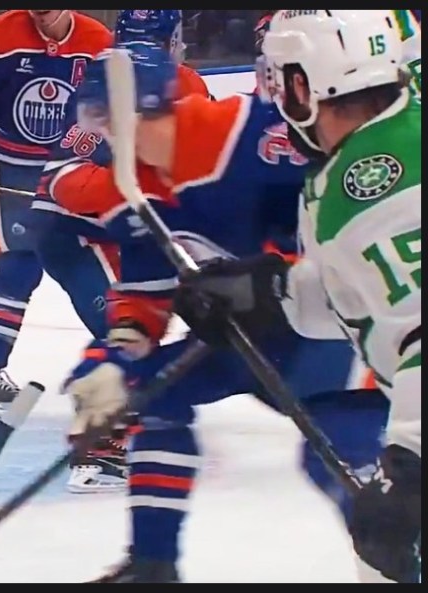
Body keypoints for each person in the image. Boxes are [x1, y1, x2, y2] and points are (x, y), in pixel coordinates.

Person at [62, 39, 390, 582]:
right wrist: (113, 361)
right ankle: (152, 567)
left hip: (333, 337)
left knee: (340, 454)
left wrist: (271, 279)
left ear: (139, 108)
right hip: (242, 342)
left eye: (104, 118)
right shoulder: (134, 189)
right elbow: (144, 300)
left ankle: (402, 563)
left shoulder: (253, 134)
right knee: (154, 394)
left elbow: (340, 219)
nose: (103, 135)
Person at [170, 10, 420, 583]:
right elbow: (370, 298)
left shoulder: (379, 189)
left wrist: (411, 471)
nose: (275, 93)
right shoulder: (383, 142)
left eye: (280, 76)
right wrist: (267, 294)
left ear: (305, 84)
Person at [30, 10, 210, 492]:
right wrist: (134, 199)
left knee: (133, 331)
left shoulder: (101, 73)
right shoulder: (175, 80)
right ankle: (100, 452)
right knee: (125, 335)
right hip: (82, 233)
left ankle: (118, 427)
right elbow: (69, 181)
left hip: (80, 233)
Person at [0, 10, 113, 419]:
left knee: (79, 261)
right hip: (6, 165)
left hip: (66, 169)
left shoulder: (97, 41)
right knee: (19, 266)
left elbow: (108, 112)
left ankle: (125, 360)